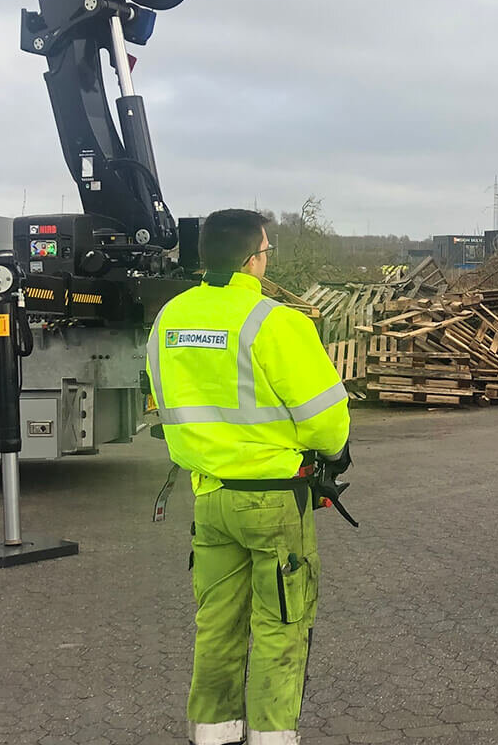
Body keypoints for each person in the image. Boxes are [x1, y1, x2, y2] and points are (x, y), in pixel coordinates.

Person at [146, 208, 351, 745]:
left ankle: (212, 735)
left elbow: (165, 396)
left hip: (208, 497)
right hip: (274, 502)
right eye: (265, 250)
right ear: (251, 259)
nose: (265, 260)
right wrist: (331, 451)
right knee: (282, 626)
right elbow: (326, 419)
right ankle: (272, 737)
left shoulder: (170, 317)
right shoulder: (275, 321)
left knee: (216, 625)